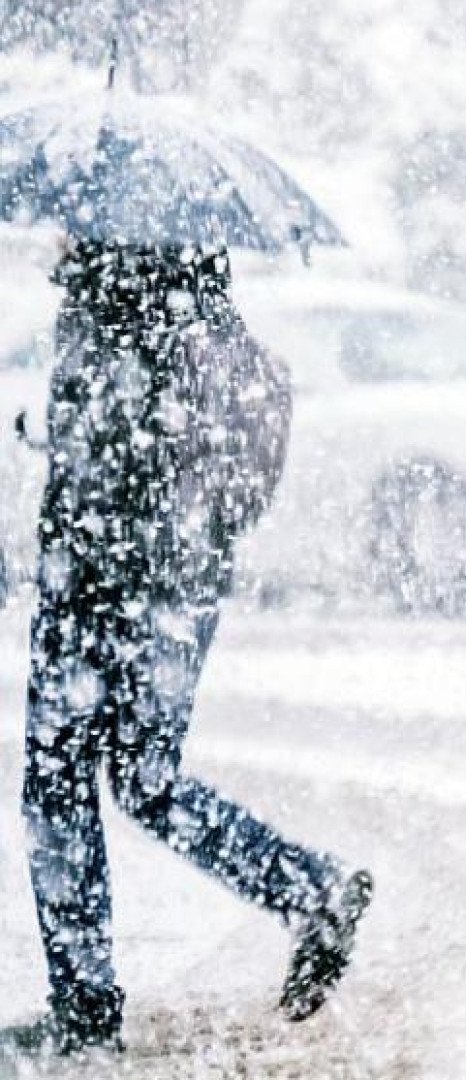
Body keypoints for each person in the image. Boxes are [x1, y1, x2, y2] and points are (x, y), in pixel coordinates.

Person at [5, 241, 374, 1058]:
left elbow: (116, 444)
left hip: (105, 578)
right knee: (144, 778)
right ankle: (307, 889)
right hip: (182, 581)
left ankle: (86, 1013)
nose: (59, 244)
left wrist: (69, 436)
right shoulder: (204, 303)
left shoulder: (113, 303)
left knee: (57, 785)